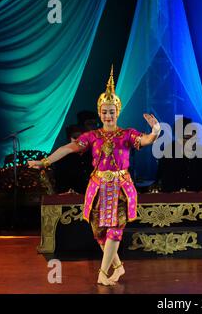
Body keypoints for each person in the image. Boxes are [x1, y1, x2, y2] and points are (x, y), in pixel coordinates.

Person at [28, 66, 161, 286]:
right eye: (105, 112)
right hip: (98, 187)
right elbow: (68, 148)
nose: (108, 115)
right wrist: (44, 161)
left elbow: (146, 141)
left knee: (115, 229)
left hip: (119, 187)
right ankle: (117, 267)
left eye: (112, 111)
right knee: (99, 232)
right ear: (100, 113)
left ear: (117, 112)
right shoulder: (93, 136)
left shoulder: (127, 134)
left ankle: (102, 272)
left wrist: (155, 130)